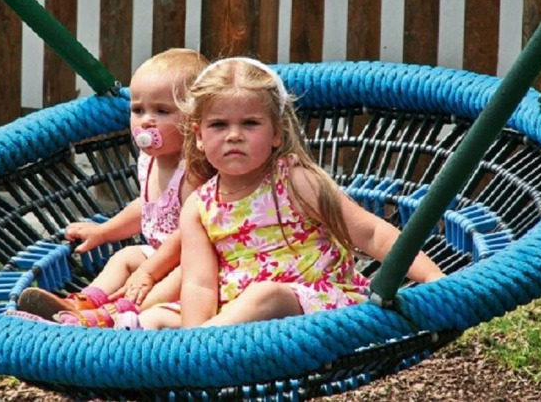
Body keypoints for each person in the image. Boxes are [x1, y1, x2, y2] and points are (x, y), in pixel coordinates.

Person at [129, 57, 445, 330]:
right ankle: (195, 356)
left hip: (310, 308)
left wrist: (434, 280)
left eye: (250, 124)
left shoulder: (294, 181)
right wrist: (193, 338)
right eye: (219, 125)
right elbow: (199, 284)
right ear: (199, 136)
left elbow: (372, 234)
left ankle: (205, 346)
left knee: (266, 295)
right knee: (153, 318)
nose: (234, 135)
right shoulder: (199, 206)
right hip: (231, 317)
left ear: (277, 133)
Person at [16, 48, 209, 327]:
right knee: (125, 256)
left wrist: (150, 271)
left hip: (187, 264)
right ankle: (79, 304)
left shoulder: (193, 172)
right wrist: (104, 232)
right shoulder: (149, 161)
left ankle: (112, 315)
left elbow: (188, 235)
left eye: (162, 111)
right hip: (156, 255)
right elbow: (146, 207)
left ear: (195, 121)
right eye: (138, 110)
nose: (146, 120)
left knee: (173, 279)